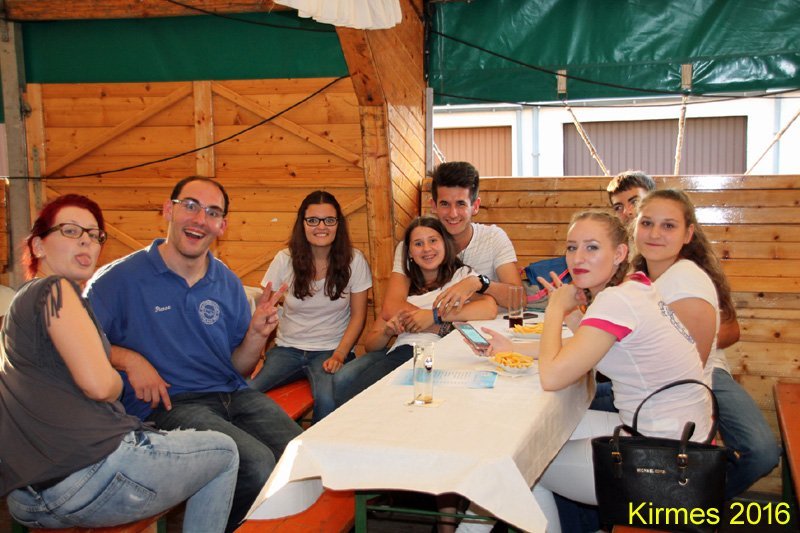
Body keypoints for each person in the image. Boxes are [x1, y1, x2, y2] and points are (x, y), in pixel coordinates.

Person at [1, 194, 239, 532]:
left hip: (29, 497)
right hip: (85, 478)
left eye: (94, 234)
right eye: (70, 231)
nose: (86, 240)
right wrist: (114, 375)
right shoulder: (56, 289)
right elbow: (101, 387)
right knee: (225, 452)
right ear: (38, 246)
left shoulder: (22, 303)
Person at [465, 210, 712, 532]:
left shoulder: (616, 301)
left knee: (517, 463)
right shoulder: (635, 288)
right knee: (531, 435)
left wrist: (556, 309)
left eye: (592, 247)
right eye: (572, 247)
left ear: (620, 253)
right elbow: (589, 346)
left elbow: (552, 377)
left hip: (665, 461)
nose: (578, 258)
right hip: (681, 436)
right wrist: (513, 347)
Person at [84, 177, 303, 532]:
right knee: (256, 464)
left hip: (232, 394)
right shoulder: (118, 279)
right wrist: (129, 359)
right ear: (168, 210)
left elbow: (239, 367)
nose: (200, 219)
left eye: (212, 212)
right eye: (190, 206)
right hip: (168, 404)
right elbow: (78, 342)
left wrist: (256, 336)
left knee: (299, 455)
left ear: (222, 226)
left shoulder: (226, 282)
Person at [632, 189, 780, 499]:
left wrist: (693, 339)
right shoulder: (631, 277)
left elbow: (730, 331)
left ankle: (703, 499)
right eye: (646, 223)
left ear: (688, 234)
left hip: (708, 372)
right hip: (648, 384)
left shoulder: (694, 278)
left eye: (668, 225)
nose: (655, 233)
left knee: (762, 451)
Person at [333, 216, 498, 406]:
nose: (427, 249)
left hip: (442, 354)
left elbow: (489, 307)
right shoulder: (401, 290)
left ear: (445, 244)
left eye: (433, 241)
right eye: (418, 244)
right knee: (355, 397)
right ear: (410, 252)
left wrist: (434, 316)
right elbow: (371, 345)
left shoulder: (460, 277)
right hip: (403, 353)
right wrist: (388, 331)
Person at [248, 191, 372, 421]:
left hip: (331, 349)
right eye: (313, 220)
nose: (321, 227)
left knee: (328, 400)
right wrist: (260, 356)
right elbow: (266, 312)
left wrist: (340, 355)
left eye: (329, 220)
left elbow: (358, 316)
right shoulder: (284, 259)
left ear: (338, 224)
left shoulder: (355, 261)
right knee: (246, 390)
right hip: (287, 349)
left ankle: (315, 445)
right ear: (302, 223)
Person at [382, 161, 521, 319]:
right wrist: (436, 320)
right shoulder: (414, 246)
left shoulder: (493, 238)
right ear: (433, 206)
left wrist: (478, 283)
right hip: (433, 332)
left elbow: (518, 300)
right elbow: (391, 306)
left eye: (461, 204)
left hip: (490, 328)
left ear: (475, 206)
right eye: (445, 204)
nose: (453, 214)